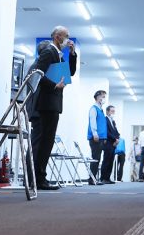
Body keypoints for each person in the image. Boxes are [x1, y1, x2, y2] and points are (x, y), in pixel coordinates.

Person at [27, 26, 78, 190]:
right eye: (66, 36)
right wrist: (54, 85)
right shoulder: (49, 51)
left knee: (46, 143)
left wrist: (72, 54)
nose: (68, 38)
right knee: (41, 143)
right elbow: (37, 73)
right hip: (44, 105)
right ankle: (36, 178)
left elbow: (70, 72)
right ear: (57, 36)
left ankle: (39, 177)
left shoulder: (58, 54)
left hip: (52, 104)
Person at [86, 90, 108, 185]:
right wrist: (95, 133)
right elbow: (93, 121)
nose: (104, 99)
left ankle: (94, 178)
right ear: (98, 97)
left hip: (101, 138)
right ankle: (92, 179)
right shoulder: (94, 109)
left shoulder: (101, 110)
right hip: (96, 137)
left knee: (98, 158)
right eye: (103, 96)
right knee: (95, 158)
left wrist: (105, 137)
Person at [104, 105, 121, 183]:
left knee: (111, 161)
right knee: (106, 160)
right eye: (112, 111)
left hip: (114, 144)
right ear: (107, 111)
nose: (113, 113)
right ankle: (103, 178)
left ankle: (108, 178)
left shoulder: (113, 121)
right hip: (108, 143)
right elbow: (107, 132)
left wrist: (117, 139)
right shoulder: (105, 120)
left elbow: (116, 132)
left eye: (114, 111)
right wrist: (115, 139)